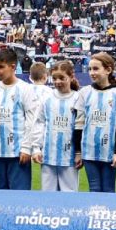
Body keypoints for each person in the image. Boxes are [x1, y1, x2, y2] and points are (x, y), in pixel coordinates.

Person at [0, 47, 39, 191]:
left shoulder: (26, 89)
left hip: (18, 153)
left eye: (1, 67)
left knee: (19, 197)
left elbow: (31, 121)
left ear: (13, 67)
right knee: (0, 196)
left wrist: (26, 147)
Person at [79, 52, 116, 194]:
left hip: (110, 152)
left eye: (96, 69)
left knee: (108, 190)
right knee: (93, 190)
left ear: (108, 70)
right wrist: (78, 151)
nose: (92, 73)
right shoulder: (85, 92)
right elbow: (79, 123)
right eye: (90, 69)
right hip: (88, 152)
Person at [35, 59, 81, 192]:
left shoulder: (78, 99)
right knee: (48, 196)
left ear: (71, 77)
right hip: (48, 156)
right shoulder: (47, 99)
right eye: (54, 78)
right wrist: (36, 148)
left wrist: (79, 152)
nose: (57, 82)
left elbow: (81, 128)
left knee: (69, 195)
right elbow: (39, 124)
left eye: (62, 78)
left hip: (69, 157)